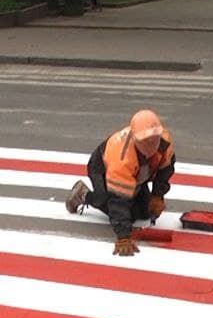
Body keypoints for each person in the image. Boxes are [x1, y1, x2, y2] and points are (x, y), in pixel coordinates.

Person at [65, 109, 176, 258]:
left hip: (138, 172)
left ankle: (136, 194)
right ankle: (83, 194)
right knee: (111, 204)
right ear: (135, 139)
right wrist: (123, 237)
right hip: (103, 169)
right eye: (146, 142)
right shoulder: (122, 157)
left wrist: (157, 195)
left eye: (154, 140)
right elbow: (118, 200)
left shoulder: (164, 142)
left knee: (144, 212)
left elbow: (165, 169)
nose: (151, 146)